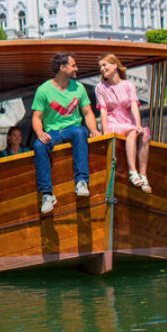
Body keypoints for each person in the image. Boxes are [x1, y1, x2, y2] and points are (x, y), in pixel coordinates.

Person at [32, 52, 99, 214]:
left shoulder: (79, 88)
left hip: (72, 129)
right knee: (39, 145)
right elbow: (36, 117)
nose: (77, 69)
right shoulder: (44, 90)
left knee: (80, 132)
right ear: (62, 68)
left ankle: (81, 181)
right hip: (52, 131)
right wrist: (40, 132)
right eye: (73, 65)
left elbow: (88, 113)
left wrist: (94, 130)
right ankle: (47, 194)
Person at [95, 54, 152, 194]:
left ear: (115, 65)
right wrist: (105, 131)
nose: (102, 69)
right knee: (132, 132)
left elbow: (134, 106)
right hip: (112, 121)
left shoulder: (128, 84)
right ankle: (133, 171)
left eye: (105, 65)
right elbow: (103, 111)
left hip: (127, 120)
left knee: (144, 134)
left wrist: (138, 124)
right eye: (100, 67)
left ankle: (143, 176)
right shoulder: (100, 87)